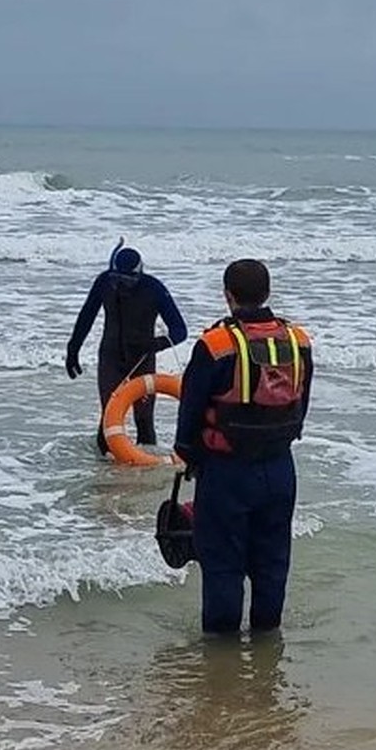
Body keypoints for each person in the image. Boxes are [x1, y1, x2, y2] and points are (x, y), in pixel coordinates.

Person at [173, 259, 314, 634]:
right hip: (281, 469)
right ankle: (267, 640)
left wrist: (186, 453)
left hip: (226, 471)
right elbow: (303, 402)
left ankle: (221, 658)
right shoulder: (298, 341)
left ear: (228, 296)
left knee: (222, 564)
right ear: (267, 294)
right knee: (273, 561)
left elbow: (191, 407)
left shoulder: (216, 345)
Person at [65, 240, 188, 453]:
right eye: (117, 279)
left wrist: (154, 345)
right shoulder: (104, 282)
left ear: (138, 274)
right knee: (109, 416)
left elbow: (180, 331)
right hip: (110, 357)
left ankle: (148, 477)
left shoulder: (154, 288)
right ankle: (102, 473)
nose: (122, 286)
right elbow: (86, 316)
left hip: (142, 359)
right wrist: (72, 350)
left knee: (144, 419)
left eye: (128, 281)